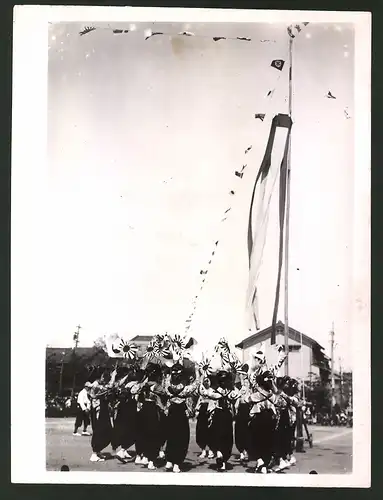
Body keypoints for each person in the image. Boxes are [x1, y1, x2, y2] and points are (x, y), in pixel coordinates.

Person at [163, 362, 198, 473]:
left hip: (171, 411)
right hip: (181, 412)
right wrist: (197, 372)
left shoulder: (167, 385)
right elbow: (195, 385)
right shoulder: (185, 388)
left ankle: (169, 461)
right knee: (181, 438)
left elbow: (166, 385)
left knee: (171, 436)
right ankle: (177, 463)